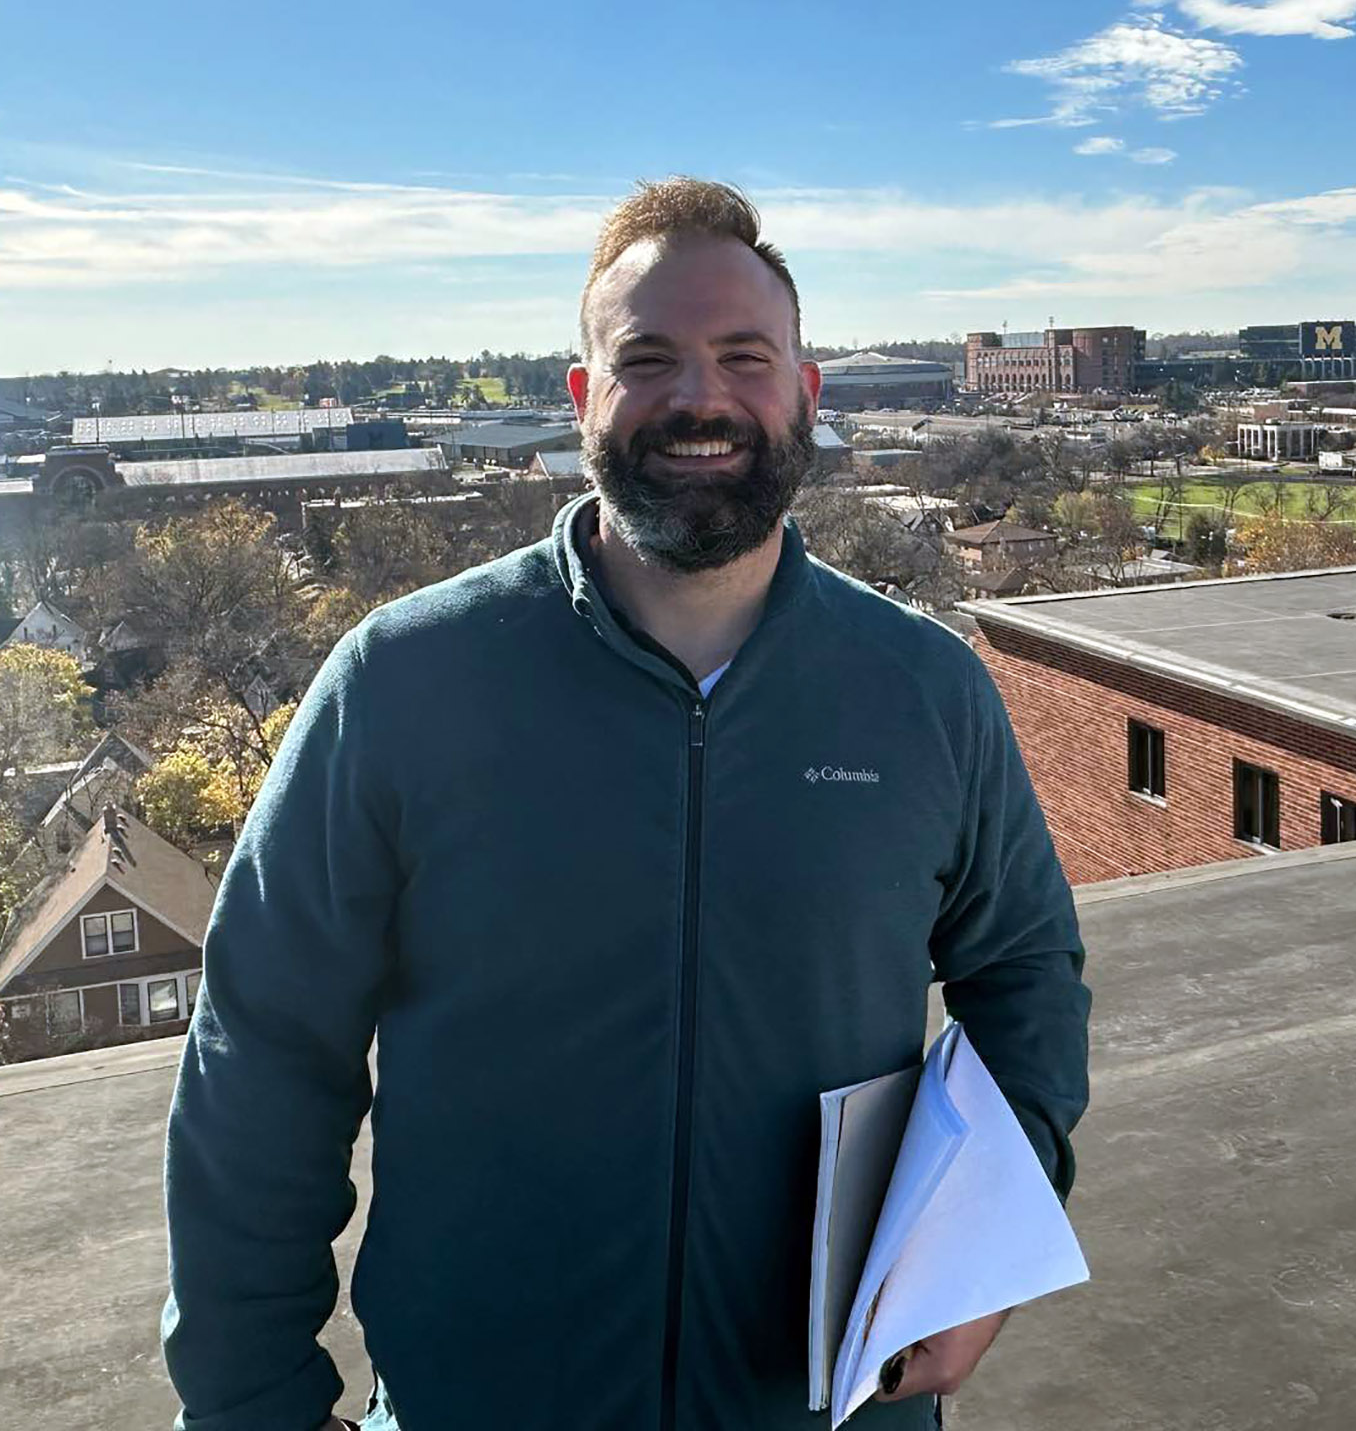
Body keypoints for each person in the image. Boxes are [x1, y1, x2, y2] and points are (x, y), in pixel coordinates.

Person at [162, 179, 1091, 1431]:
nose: (699, 398)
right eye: (646, 358)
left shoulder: (924, 692)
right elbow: (263, 1053)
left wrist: (991, 1236)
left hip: (831, 1410)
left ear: (806, 396)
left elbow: (1026, 974)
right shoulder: (406, 680)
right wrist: (250, 1406)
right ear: (582, 397)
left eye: (743, 358)